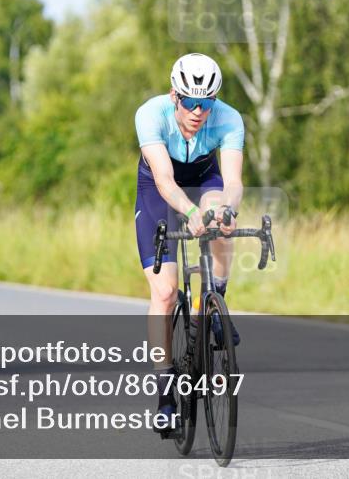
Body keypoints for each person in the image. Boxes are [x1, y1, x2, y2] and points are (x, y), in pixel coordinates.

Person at [134, 53, 245, 432]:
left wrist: (224, 211)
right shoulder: (150, 115)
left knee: (220, 216)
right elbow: (165, 179)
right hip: (157, 188)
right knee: (164, 293)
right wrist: (188, 211)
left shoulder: (229, 119)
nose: (199, 111)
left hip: (204, 176)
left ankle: (214, 300)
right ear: (174, 96)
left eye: (207, 103)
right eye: (191, 102)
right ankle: (165, 394)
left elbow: (232, 182)